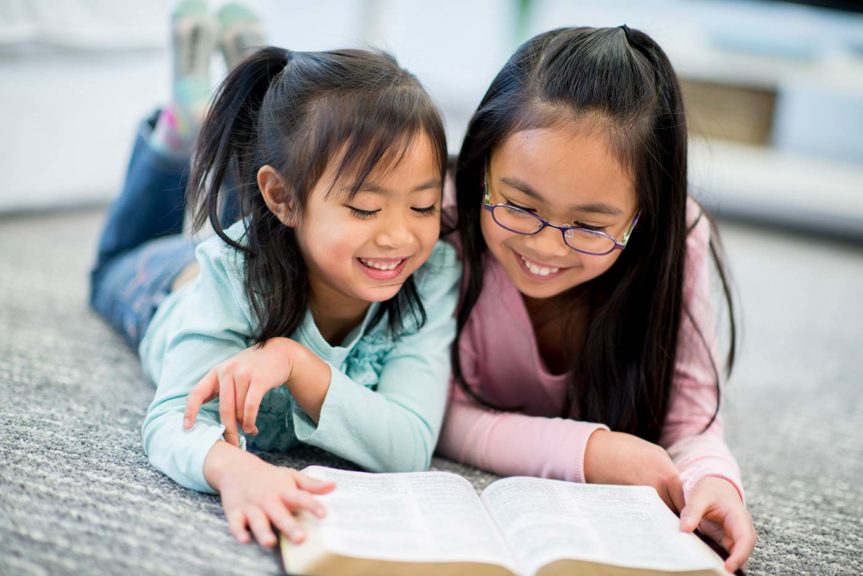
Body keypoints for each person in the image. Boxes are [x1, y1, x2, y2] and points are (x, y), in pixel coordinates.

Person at [89, 1, 459, 550]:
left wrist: (296, 363)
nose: (399, 238)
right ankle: (178, 131)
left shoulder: (430, 273)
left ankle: (254, 128)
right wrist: (232, 469)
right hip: (172, 287)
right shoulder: (231, 275)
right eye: (365, 209)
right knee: (111, 267)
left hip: (284, 234)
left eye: (424, 207)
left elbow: (408, 445)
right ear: (281, 196)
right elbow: (170, 418)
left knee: (291, 208)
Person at [435, 25, 756, 573]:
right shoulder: (442, 221)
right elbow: (427, 409)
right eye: (517, 204)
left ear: (643, 217)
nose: (543, 244)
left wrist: (714, 480)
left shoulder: (676, 237)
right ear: (482, 168)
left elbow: (691, 419)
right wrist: (588, 453)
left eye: (589, 224)